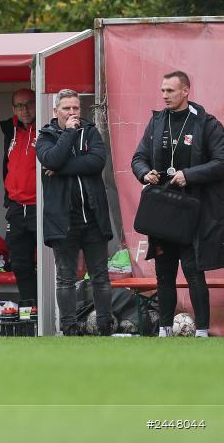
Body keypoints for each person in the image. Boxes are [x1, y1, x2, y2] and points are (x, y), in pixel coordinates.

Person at [131, 71, 224, 338]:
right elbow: (138, 158)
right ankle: (164, 330)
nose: (164, 95)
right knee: (164, 273)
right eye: (162, 90)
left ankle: (202, 330)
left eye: (170, 91)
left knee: (194, 272)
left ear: (185, 91)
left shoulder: (206, 123)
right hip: (162, 211)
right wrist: (145, 173)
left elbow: (221, 161)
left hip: (193, 212)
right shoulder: (157, 121)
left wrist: (188, 175)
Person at [36, 89, 113, 336]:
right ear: (56, 110)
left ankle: (105, 328)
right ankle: (69, 329)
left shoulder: (90, 132)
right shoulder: (45, 136)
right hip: (63, 220)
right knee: (65, 278)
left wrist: (60, 169)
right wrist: (68, 133)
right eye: (67, 108)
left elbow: (97, 162)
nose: (72, 113)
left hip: (93, 217)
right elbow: (51, 158)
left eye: (76, 108)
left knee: (100, 276)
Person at [0, 88, 38, 303]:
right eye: (20, 106)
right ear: (14, 109)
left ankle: (50, 314)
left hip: (40, 207)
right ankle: (31, 311)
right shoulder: (11, 131)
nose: (25, 110)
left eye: (29, 104)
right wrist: (8, 198)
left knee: (50, 264)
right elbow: (7, 167)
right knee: (20, 264)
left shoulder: (46, 129)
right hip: (16, 208)